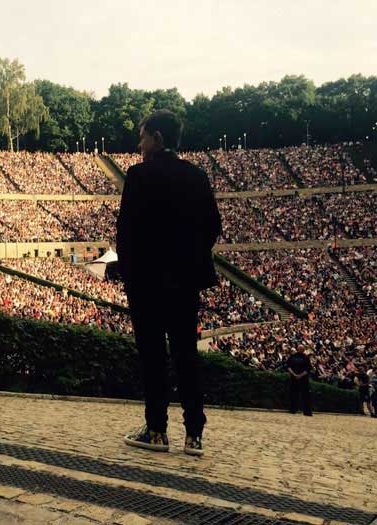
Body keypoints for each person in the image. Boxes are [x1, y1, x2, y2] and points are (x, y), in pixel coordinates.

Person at [117, 110, 222, 456]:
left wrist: (130, 273)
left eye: (143, 136)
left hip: (147, 282)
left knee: (152, 356)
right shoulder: (197, 176)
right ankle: (195, 434)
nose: (139, 143)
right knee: (186, 355)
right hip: (184, 281)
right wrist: (187, 258)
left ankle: (157, 430)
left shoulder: (138, 175)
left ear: (158, 138)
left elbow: (126, 234)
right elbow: (212, 228)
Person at [287, 345, 313, 416]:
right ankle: (306, 411)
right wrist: (300, 375)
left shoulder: (292, 356)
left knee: (293, 394)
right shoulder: (306, 357)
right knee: (305, 395)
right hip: (303, 378)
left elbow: (288, 367)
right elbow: (308, 369)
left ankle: (292, 410)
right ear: (303, 350)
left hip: (294, 378)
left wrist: (294, 375)